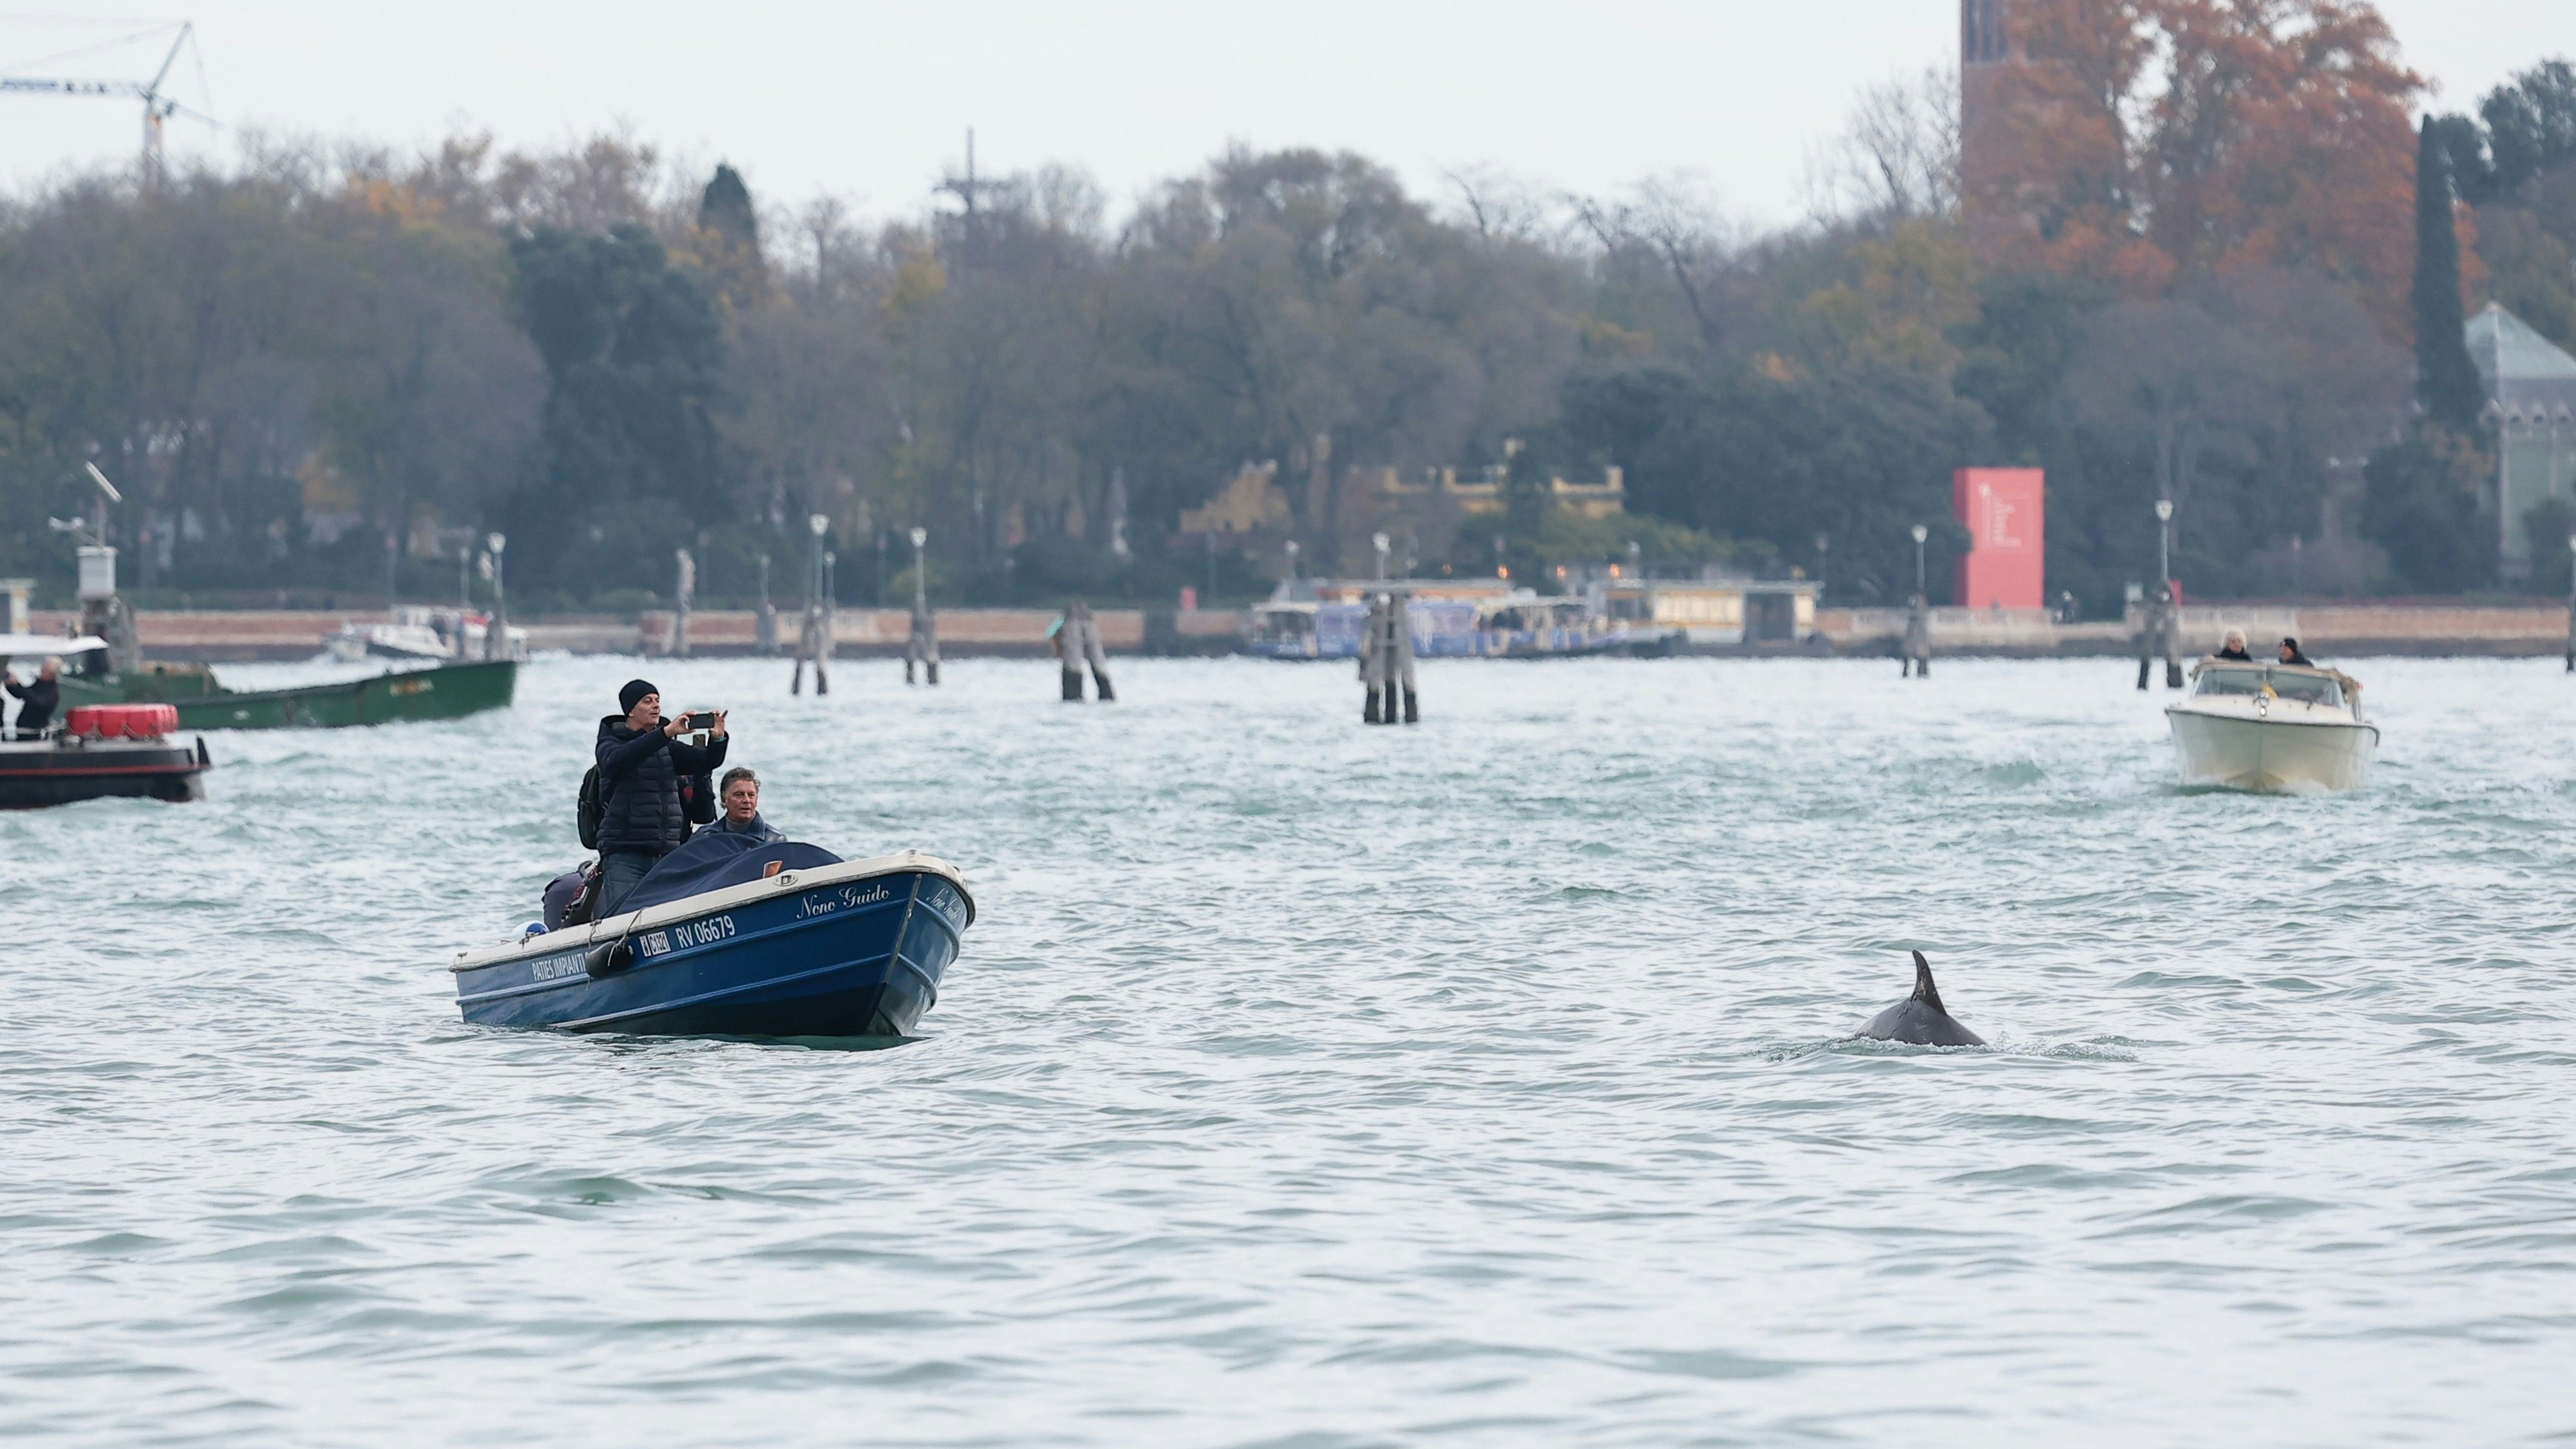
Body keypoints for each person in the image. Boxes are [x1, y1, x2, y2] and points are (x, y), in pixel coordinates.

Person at [594, 679, 728, 916]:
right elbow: (616, 762)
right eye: (647, 701)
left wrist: (718, 739)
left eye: (658, 700)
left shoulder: (665, 745)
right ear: (630, 711)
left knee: (668, 921)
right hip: (625, 853)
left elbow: (706, 761)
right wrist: (666, 733)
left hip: (667, 853)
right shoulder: (611, 741)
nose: (656, 705)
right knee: (623, 921)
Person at [714, 766, 786, 844]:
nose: (747, 800)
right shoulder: (707, 836)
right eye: (739, 795)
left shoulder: (775, 841)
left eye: (751, 795)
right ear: (724, 800)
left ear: (756, 800)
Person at [3, 656, 61, 739]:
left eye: (44, 671)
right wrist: (12, 685)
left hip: (35, 731)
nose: (41, 671)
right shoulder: (40, 684)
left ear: (52, 674)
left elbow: (36, 701)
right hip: (23, 728)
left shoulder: (52, 692)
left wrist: (18, 685)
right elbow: (22, 694)